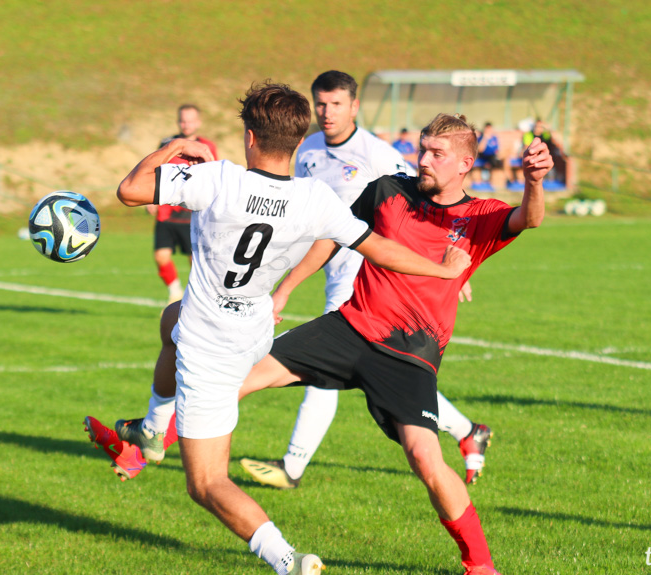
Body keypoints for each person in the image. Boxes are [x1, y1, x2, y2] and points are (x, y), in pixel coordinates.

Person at [93, 81, 472, 575]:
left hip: (213, 343)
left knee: (206, 484)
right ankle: (149, 430)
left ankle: (286, 560)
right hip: (254, 327)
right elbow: (380, 249)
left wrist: (174, 149)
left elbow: (128, 191)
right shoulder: (315, 198)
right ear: (299, 141)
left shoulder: (219, 180)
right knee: (171, 320)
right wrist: (444, 270)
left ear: (250, 137)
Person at [229, 112, 551, 575]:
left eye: (436, 154)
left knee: (425, 457)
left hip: (409, 356)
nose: (423, 160)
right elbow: (334, 238)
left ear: (464, 163)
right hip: (349, 328)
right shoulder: (387, 191)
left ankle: (480, 565)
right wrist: (286, 288)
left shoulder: (480, 217)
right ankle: (150, 440)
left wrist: (534, 182)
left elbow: (530, 218)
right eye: (422, 149)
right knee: (235, 379)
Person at [241, 71, 492, 490]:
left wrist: (450, 272)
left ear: (354, 107)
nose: (326, 112)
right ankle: (467, 431)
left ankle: (292, 466)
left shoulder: (379, 156)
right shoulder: (307, 148)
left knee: (320, 374)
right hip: (328, 264)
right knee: (387, 379)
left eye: (336, 104)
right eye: (320, 104)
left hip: (366, 276)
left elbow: (427, 211)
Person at [150, 104, 219, 303]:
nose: (186, 124)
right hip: (166, 212)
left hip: (191, 214)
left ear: (198, 122)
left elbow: (214, 176)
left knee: (194, 262)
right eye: (182, 120)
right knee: (161, 256)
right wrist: (151, 199)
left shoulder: (207, 147)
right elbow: (156, 169)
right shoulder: (167, 143)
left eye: (190, 120)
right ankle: (174, 293)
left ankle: (196, 298)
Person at [469, 122, 502, 192]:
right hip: (482, 157)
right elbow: (480, 149)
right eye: (487, 129)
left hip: (491, 158)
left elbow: (497, 150)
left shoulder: (494, 138)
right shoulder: (481, 138)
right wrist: (485, 138)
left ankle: (491, 183)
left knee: (494, 162)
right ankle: (478, 182)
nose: (489, 131)